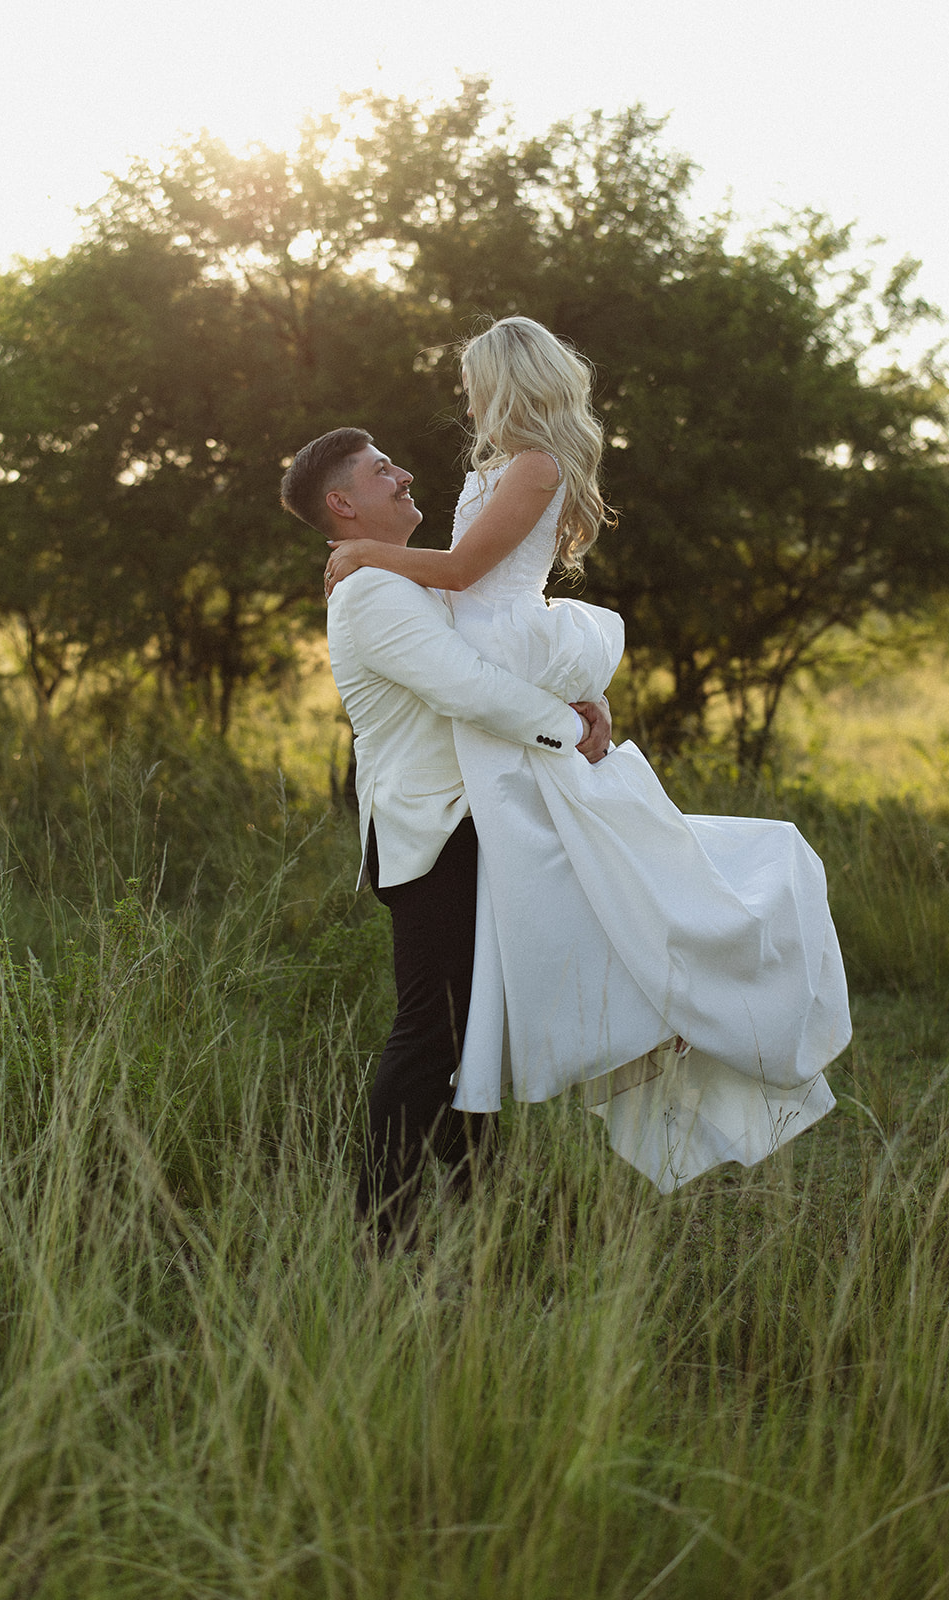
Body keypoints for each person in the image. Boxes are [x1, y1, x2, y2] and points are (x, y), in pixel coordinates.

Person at [322, 317, 852, 1192]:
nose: (464, 399)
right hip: (478, 701)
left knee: (576, 874)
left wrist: (371, 551)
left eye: (471, 383)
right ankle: (636, 1005)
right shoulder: (496, 472)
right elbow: (455, 611)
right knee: (518, 932)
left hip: (496, 652)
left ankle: (666, 993)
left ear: (505, 383)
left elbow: (459, 574)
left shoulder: (533, 466)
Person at [280, 428, 612, 1251]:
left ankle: (484, 1206)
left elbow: (502, 657)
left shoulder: (404, 580)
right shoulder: (370, 593)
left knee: (471, 1029)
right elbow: (467, 689)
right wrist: (568, 731)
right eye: (380, 468)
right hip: (428, 836)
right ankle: (381, 1233)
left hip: (470, 828)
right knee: (432, 1031)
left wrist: (585, 695)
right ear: (341, 504)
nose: (403, 473)